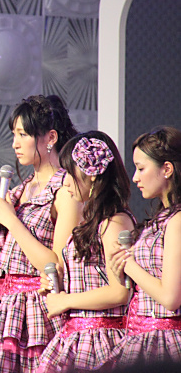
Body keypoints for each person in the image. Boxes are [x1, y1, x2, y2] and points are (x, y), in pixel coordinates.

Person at [0, 95, 83, 373]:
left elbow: (57, 267)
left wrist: (12, 221)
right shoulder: (18, 190)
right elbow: (3, 267)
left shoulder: (67, 189)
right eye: (13, 134)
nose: (15, 143)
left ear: (50, 137)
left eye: (23, 134)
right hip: (5, 310)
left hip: (40, 313)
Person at [37, 132, 134, 373]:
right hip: (78, 335)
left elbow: (120, 291)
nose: (66, 183)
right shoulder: (93, 222)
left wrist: (65, 300)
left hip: (102, 340)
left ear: (91, 174)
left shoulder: (115, 222)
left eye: (70, 174)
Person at [106, 126, 181, 367]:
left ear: (166, 169)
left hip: (166, 340)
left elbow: (170, 298)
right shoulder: (162, 219)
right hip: (142, 335)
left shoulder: (177, 221)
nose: (135, 178)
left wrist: (129, 265)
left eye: (141, 168)